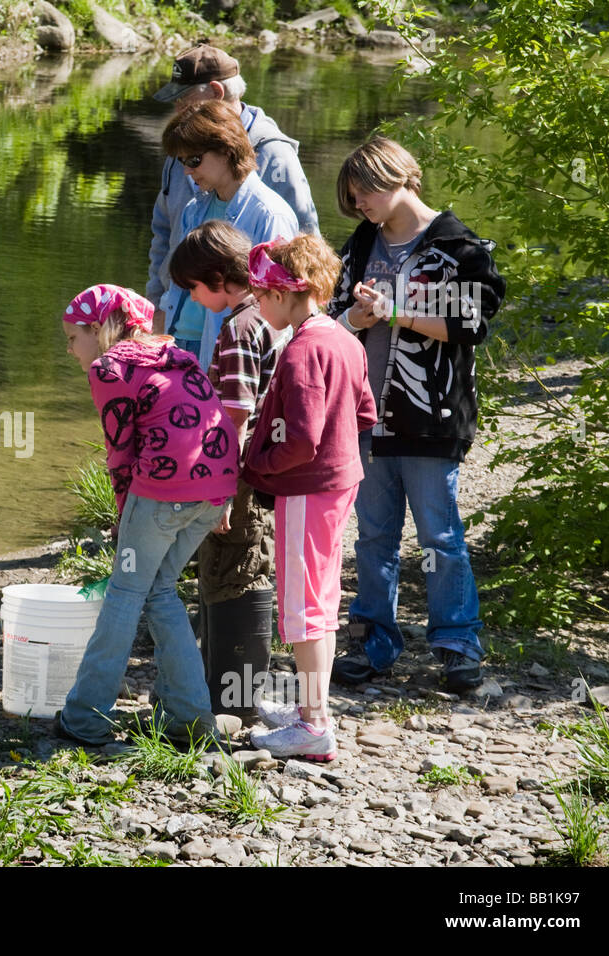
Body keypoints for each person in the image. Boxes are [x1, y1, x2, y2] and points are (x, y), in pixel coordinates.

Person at [327, 137, 505, 693]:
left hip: (432, 417)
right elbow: (332, 318)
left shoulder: (459, 247)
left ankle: (457, 645)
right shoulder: (358, 245)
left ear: (401, 177)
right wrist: (358, 315)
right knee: (373, 538)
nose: (360, 205)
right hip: (365, 419)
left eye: (365, 193)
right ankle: (373, 642)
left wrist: (396, 311)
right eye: (353, 198)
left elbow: (473, 320)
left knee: (440, 537)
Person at [54, 284, 239, 746]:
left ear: (98, 330)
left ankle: (86, 717)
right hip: (213, 491)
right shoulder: (175, 355)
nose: (71, 350)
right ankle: (191, 721)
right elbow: (210, 417)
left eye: (72, 338)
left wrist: (125, 518)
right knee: (158, 591)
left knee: (125, 592)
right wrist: (222, 499)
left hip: (164, 494)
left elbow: (121, 454)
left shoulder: (110, 367)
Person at [241, 237, 377, 760]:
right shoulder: (344, 339)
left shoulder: (302, 350)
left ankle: (314, 725)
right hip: (341, 483)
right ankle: (309, 708)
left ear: (283, 291)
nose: (256, 303)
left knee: (302, 606)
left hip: (306, 489)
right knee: (321, 597)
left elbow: (300, 439)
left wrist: (257, 467)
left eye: (260, 293)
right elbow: (363, 412)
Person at [167, 221, 291, 718]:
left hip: (235, 473)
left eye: (194, 289)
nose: (195, 301)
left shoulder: (240, 326)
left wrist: (218, 487)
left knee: (232, 570)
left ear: (219, 277)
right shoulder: (269, 317)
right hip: (262, 469)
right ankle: (234, 692)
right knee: (249, 564)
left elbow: (236, 414)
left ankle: (230, 700)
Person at [148, 44, 319, 319]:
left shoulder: (273, 153)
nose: (177, 109)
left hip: (242, 329)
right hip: (179, 319)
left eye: (184, 99)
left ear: (216, 92)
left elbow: (304, 244)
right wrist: (157, 303)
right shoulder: (180, 153)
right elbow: (163, 233)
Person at [156, 98, 298, 366]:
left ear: (226, 149)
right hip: (178, 342)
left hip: (227, 352)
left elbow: (279, 304)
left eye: (194, 160)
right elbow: (179, 286)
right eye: (183, 161)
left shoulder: (270, 214)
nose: (187, 170)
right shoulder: (193, 209)